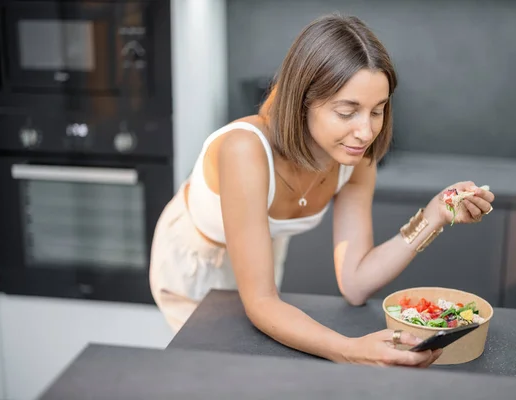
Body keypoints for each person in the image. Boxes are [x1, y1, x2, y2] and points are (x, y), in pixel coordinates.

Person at [149, 13, 495, 368]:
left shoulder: (356, 158)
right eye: (347, 112)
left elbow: (356, 282)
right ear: (303, 102)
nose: (365, 131)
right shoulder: (244, 150)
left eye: (378, 111)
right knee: (209, 373)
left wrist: (434, 215)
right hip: (195, 261)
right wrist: (350, 349)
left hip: (260, 258)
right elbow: (262, 303)